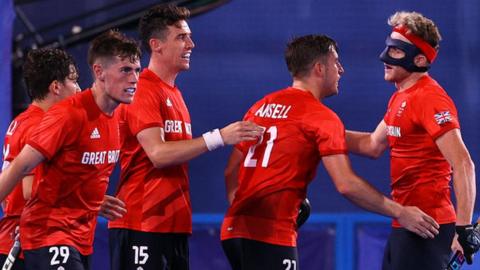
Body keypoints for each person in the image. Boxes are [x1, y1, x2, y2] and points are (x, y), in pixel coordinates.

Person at [220, 34, 441, 270]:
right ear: (319, 69)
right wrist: (401, 212)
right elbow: (346, 184)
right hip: (270, 234)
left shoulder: (261, 106)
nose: (341, 70)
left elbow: (230, 170)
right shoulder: (321, 117)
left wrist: (243, 208)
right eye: (336, 63)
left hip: (233, 230)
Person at [107, 4, 263, 270]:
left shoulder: (174, 94)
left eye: (188, 36)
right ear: (156, 45)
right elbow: (158, 154)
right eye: (181, 37)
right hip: (142, 224)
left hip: (173, 225)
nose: (191, 43)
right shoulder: (143, 90)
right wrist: (219, 137)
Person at [345, 11, 477, 269]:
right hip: (405, 222)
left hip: (428, 228)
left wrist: (464, 229)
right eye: (388, 47)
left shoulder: (430, 98)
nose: (384, 57)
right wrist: (319, 131)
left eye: (396, 51)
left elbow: (463, 164)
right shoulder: (400, 96)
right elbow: (372, 144)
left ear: (418, 59)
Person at [0, 29, 141, 270]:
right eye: (126, 70)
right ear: (99, 72)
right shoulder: (64, 115)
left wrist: (92, 201)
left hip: (81, 238)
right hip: (46, 234)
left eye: (137, 70)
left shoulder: (118, 118)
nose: (135, 79)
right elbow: (20, 169)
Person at [0, 48, 80, 270]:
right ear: (56, 86)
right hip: (25, 245)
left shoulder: (21, 121)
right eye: (74, 81)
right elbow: (30, 191)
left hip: (13, 239)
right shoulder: (42, 125)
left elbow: (9, 195)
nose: (79, 89)